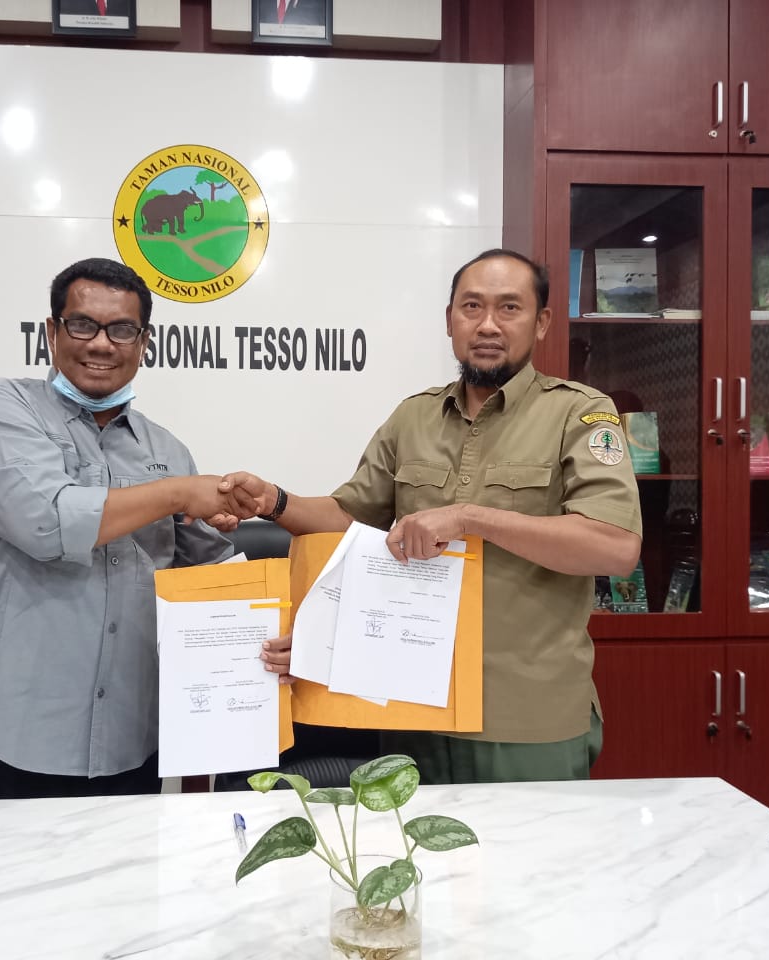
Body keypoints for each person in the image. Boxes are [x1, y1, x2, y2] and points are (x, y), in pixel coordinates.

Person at [221, 248, 642, 783]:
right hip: (410, 706)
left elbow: (615, 546)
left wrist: (468, 517)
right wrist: (275, 501)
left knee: (526, 844)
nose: (487, 324)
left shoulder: (578, 413)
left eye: (509, 308)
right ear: (449, 320)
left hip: (524, 717)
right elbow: (349, 518)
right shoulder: (414, 416)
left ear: (541, 323)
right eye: (472, 306)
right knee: (410, 841)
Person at [0, 257, 284, 799]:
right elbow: (48, 523)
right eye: (83, 325)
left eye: (123, 330)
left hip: (132, 738)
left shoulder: (166, 449)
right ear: (52, 331)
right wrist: (177, 493)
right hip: (13, 733)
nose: (102, 344)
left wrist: (276, 632)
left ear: (144, 342)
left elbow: (212, 572)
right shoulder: (4, 409)